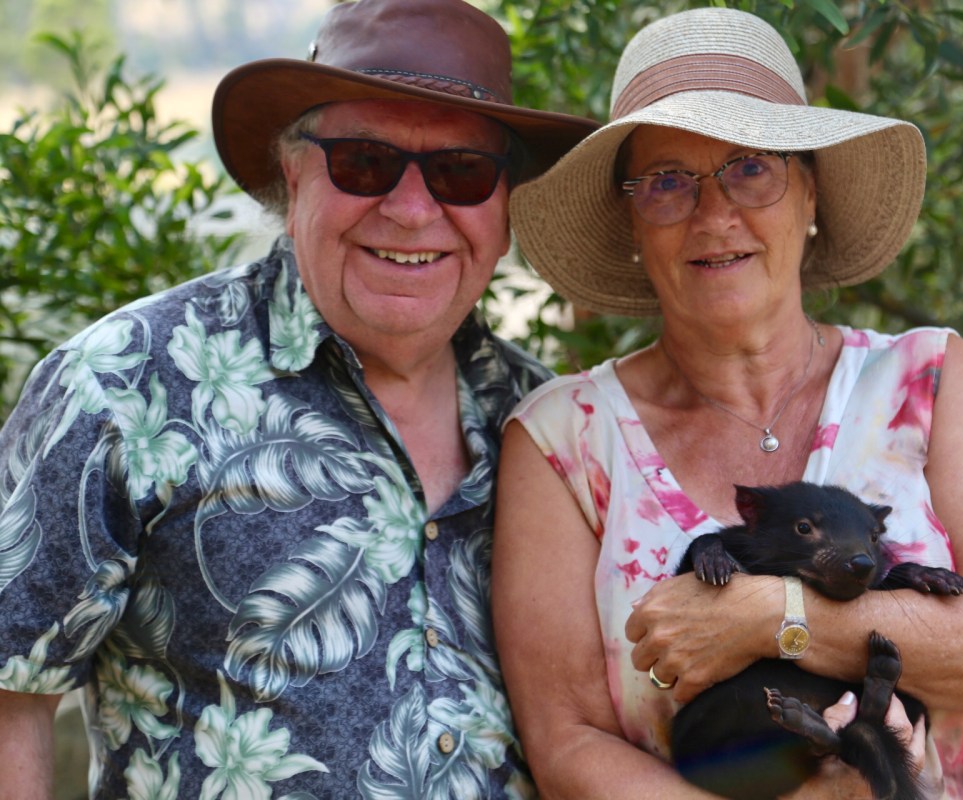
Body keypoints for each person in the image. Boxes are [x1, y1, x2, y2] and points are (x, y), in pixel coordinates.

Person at [0, 0, 597, 797]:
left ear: (504, 205)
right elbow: (9, 691)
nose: (412, 210)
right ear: (292, 174)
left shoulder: (550, 422)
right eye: (364, 162)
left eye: (461, 171)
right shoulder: (127, 381)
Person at [492, 7, 963, 799]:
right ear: (633, 222)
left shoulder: (931, 378)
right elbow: (567, 744)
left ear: (809, 194)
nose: (714, 214)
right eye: (667, 182)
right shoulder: (563, 440)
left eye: (752, 168)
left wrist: (773, 617)